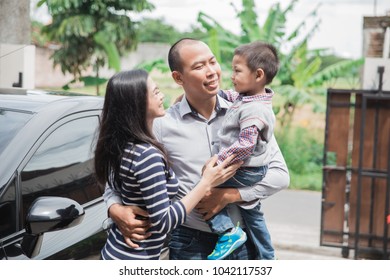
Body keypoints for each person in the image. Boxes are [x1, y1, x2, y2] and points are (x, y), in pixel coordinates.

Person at [104, 38, 290, 260]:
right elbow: (116, 174)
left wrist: (229, 196)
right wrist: (113, 208)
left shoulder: (247, 112)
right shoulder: (163, 124)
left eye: (213, 62)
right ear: (178, 77)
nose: (211, 71)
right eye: (199, 66)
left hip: (242, 240)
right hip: (189, 243)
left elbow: (280, 175)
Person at [94, 69, 240, 260]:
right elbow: (164, 222)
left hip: (116, 251)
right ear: (137, 104)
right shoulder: (147, 155)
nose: (161, 95)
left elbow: (113, 184)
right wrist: (205, 182)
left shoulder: (125, 145)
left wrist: (114, 208)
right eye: (155, 92)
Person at [205, 41, 280, 260]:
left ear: (258, 75)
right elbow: (228, 95)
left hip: (247, 169)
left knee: (206, 186)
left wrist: (219, 161)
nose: (232, 75)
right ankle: (267, 256)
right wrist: (212, 91)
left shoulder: (254, 109)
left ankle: (227, 232)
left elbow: (246, 144)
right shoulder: (248, 97)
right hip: (255, 168)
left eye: (237, 71)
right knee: (253, 213)